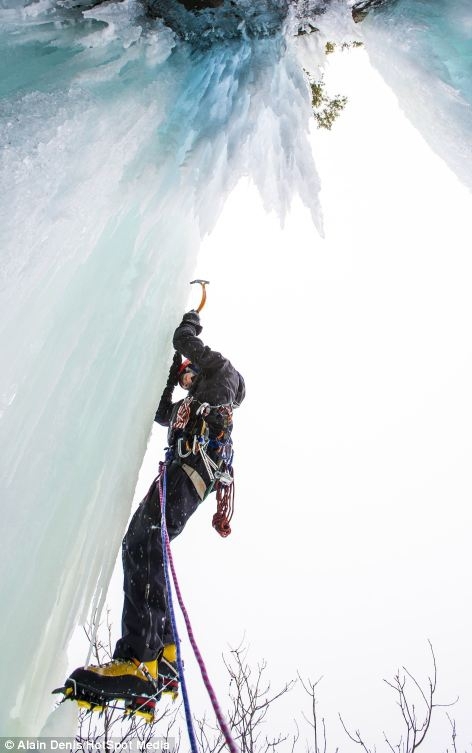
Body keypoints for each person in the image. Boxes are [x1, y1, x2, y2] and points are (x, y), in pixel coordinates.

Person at [65, 310, 245, 710]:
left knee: (142, 543)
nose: (184, 379)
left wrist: (189, 324)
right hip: (185, 470)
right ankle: (163, 655)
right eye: (181, 377)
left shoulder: (223, 374)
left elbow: (186, 342)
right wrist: (166, 374)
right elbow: (161, 410)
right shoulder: (191, 402)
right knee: (145, 546)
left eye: (186, 374)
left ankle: (137, 659)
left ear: (199, 368)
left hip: (192, 468)